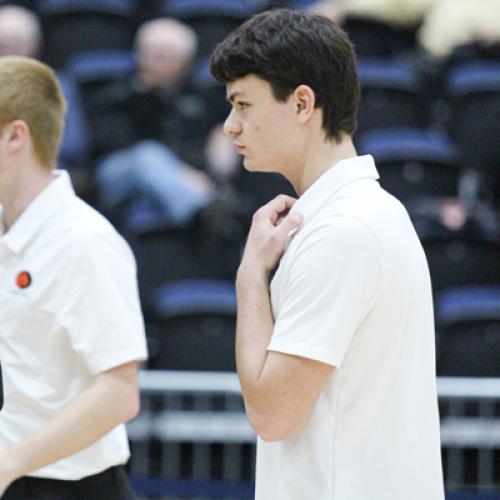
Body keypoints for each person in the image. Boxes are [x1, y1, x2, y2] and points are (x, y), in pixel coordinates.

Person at [210, 9, 444, 500]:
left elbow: (273, 414)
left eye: (243, 104)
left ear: (301, 103)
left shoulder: (344, 231)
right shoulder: (364, 213)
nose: (231, 126)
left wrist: (251, 276)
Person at [0, 56, 147, 499]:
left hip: (70, 488)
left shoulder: (84, 241)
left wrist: (9, 462)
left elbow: (120, 393)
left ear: (14, 135)